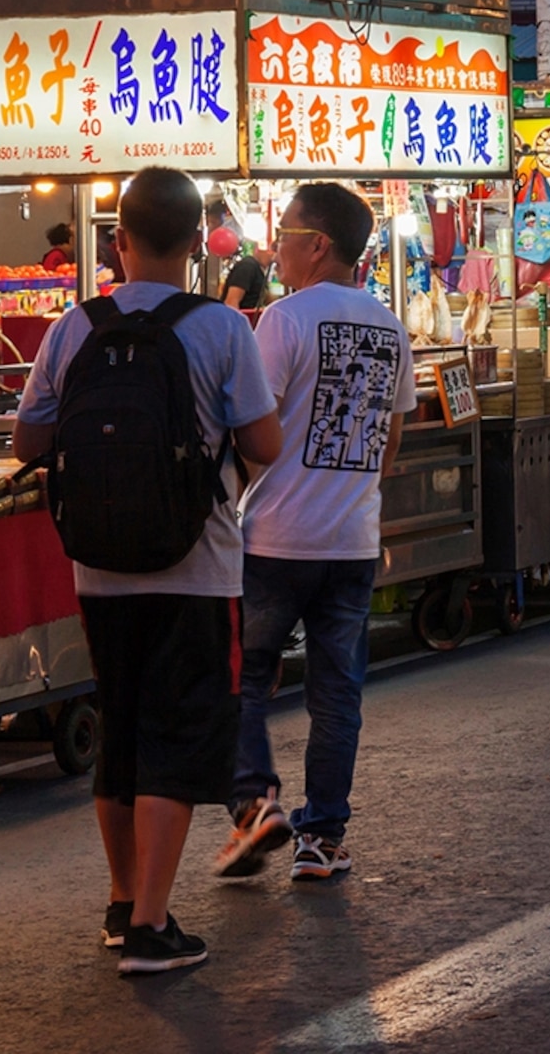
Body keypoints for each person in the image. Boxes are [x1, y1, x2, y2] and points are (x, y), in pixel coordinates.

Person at [16, 166, 281, 975]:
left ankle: (123, 902)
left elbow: (31, 442)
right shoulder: (220, 328)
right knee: (176, 735)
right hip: (195, 568)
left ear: (117, 241)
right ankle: (152, 928)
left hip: (100, 573)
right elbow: (264, 445)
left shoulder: (74, 326)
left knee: (123, 737)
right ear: (200, 244)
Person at [219, 182, 412, 886]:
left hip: (275, 537)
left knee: (245, 680)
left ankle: (254, 803)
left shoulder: (285, 320)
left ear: (318, 245)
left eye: (286, 235)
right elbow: (391, 440)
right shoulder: (389, 326)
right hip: (352, 540)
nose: (276, 248)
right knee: (338, 692)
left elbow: (254, 430)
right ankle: (321, 837)